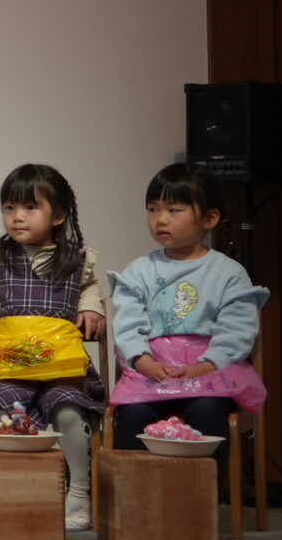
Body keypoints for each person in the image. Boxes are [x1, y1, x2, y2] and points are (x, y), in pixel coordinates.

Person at [0, 163, 107, 530]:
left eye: (29, 207)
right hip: (11, 362)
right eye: (9, 207)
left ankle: (79, 493)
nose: (17, 217)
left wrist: (90, 306)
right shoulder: (0, 254)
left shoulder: (77, 257)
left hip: (61, 365)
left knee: (68, 411)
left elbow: (90, 286)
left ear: (58, 215)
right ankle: (2, 491)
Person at [109, 162, 268, 449]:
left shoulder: (229, 273)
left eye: (173, 210)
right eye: (153, 209)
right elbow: (127, 325)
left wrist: (205, 366)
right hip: (152, 374)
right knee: (133, 415)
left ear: (209, 218)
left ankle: (208, 480)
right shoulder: (139, 271)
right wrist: (144, 362)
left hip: (208, 374)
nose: (160, 219)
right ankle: (130, 480)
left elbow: (237, 329)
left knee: (206, 411)